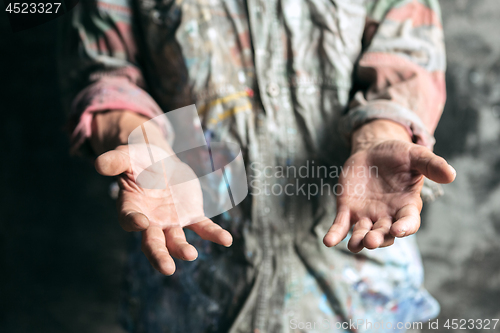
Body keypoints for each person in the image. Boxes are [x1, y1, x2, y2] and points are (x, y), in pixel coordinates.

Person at [59, 0, 456, 332]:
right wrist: (138, 137)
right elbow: (104, 70)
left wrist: (379, 133)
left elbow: (408, 59)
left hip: (358, 290)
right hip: (190, 274)